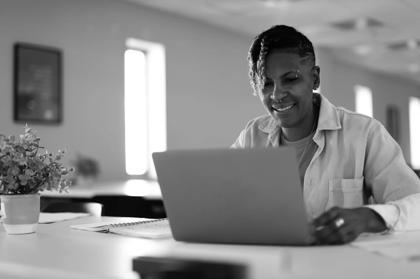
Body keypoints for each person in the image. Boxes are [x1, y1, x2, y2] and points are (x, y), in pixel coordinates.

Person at [232, 25, 420, 245]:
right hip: (274, 263)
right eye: (266, 84)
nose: (277, 94)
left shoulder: (364, 133)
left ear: (315, 78)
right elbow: (223, 199)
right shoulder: (252, 136)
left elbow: (415, 205)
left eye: (290, 79)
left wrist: (369, 217)